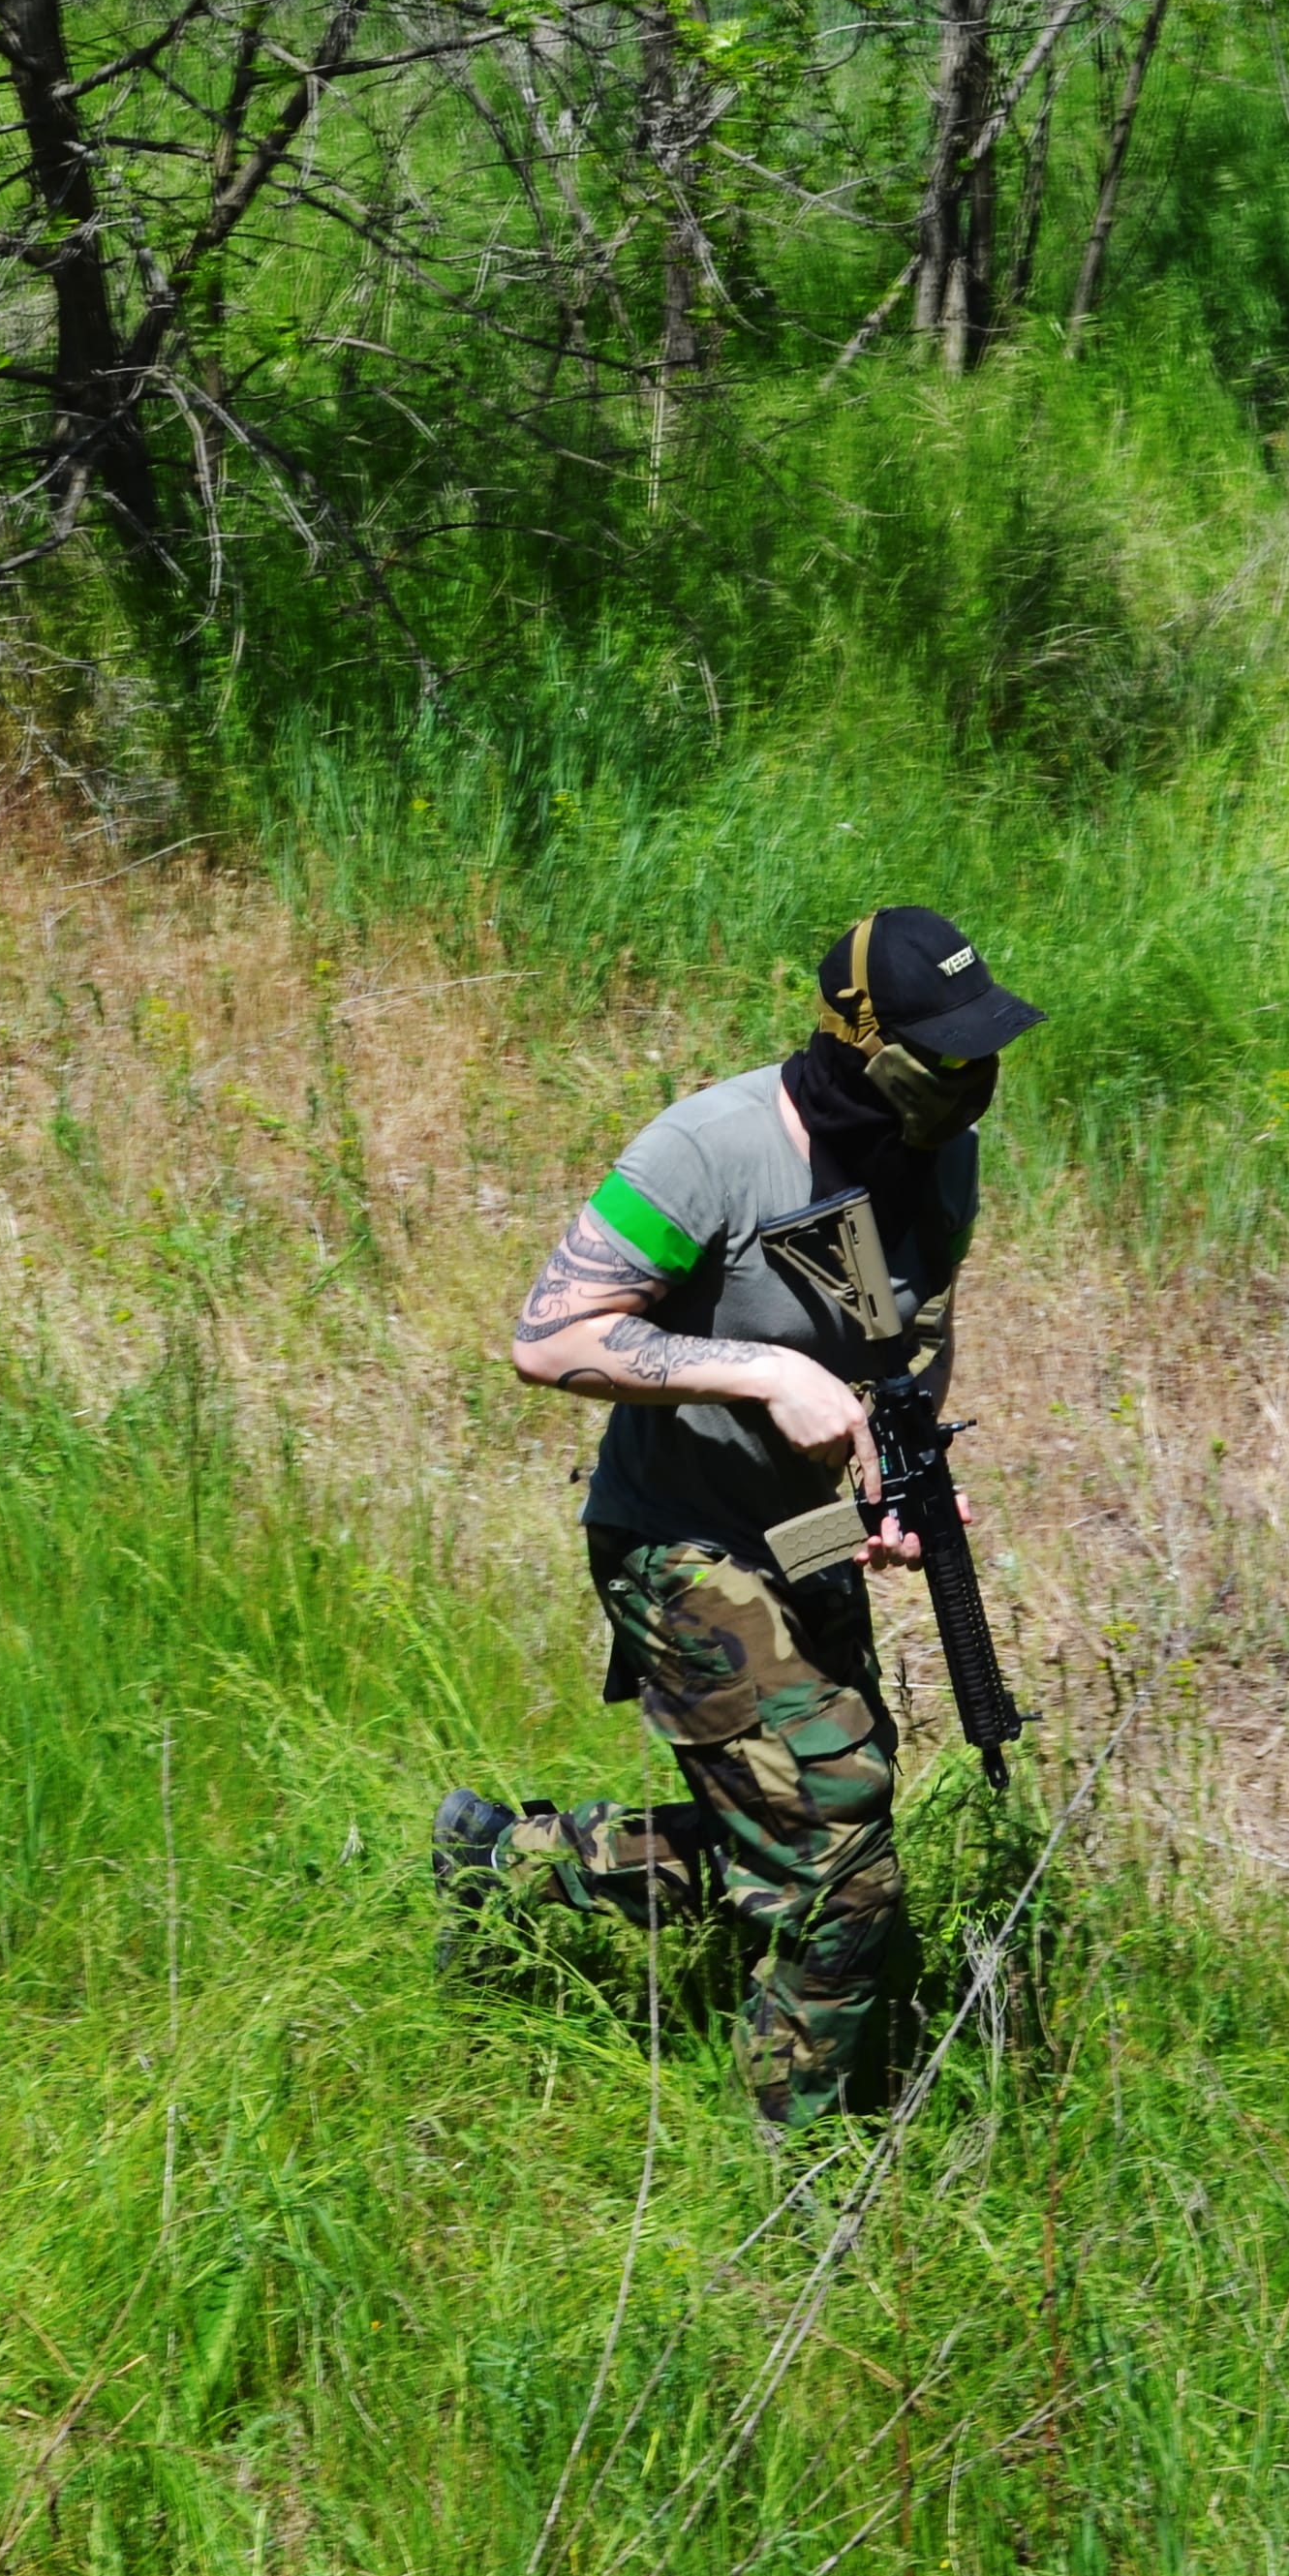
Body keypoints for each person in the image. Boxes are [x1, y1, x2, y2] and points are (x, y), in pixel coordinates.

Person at [435, 907, 1039, 2131]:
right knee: (837, 1853)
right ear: (866, 1045)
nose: (974, 1079)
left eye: (986, 1053)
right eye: (947, 1056)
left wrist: (894, 1480)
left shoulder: (941, 1157)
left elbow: (913, 1335)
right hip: (676, 1536)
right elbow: (546, 1339)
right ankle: (796, 2163)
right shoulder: (711, 1150)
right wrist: (763, 1373)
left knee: (798, 1828)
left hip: (806, 1531)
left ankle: (509, 1862)